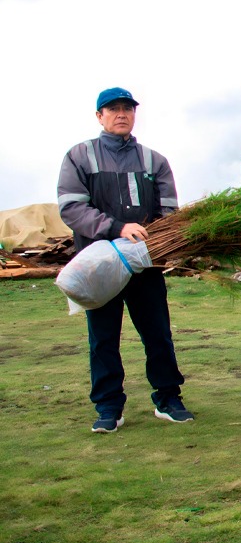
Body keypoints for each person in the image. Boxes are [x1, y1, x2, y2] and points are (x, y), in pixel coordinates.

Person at [57, 87, 193, 433]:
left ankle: (168, 397)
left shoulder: (154, 160)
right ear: (99, 116)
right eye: (113, 109)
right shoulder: (80, 156)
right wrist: (116, 228)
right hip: (98, 265)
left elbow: (168, 213)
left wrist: (158, 241)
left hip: (145, 264)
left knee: (158, 333)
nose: (122, 114)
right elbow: (72, 208)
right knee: (103, 338)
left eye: (128, 109)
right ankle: (108, 406)